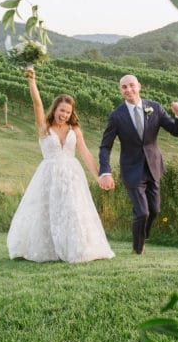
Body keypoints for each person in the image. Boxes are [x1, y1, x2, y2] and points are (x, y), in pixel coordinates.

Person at [6, 67, 116, 263]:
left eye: (68, 111)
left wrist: (99, 175)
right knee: (47, 211)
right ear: (55, 109)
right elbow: (37, 104)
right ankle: (48, 249)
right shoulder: (44, 128)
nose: (64, 114)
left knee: (73, 210)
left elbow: (85, 154)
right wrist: (32, 81)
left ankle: (77, 248)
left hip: (72, 175)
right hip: (49, 174)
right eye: (61, 110)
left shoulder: (75, 129)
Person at [98, 74, 178, 255]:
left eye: (131, 85)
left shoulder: (154, 108)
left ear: (139, 86)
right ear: (120, 91)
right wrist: (105, 171)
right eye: (124, 87)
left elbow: (175, 131)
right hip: (132, 170)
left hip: (153, 167)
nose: (128, 90)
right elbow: (105, 146)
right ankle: (138, 249)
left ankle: (141, 236)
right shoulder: (116, 116)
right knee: (142, 212)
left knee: (154, 210)